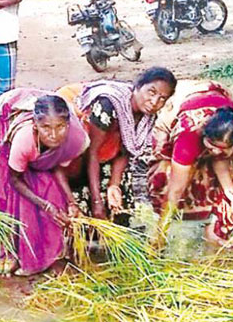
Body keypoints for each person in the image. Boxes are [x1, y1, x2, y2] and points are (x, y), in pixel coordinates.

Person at [0, 89, 89, 276]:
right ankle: (15, 251)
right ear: (36, 125)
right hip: (10, 158)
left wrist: (71, 202)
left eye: (60, 127)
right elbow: (14, 179)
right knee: (14, 201)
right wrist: (45, 205)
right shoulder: (23, 139)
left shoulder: (75, 138)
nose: (54, 135)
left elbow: (56, 166)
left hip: (35, 154)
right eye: (46, 128)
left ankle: (52, 255)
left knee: (52, 192)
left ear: (68, 124)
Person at [57, 67, 177, 222]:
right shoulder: (109, 105)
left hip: (107, 156)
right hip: (81, 158)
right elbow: (91, 152)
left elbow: (126, 150)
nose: (155, 102)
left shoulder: (147, 115)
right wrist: (96, 201)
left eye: (162, 98)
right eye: (151, 92)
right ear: (138, 86)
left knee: (120, 199)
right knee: (88, 209)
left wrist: (114, 185)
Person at [148, 80, 233, 246]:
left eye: (222, 148)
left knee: (228, 186)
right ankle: (171, 221)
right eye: (212, 145)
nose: (216, 152)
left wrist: (229, 189)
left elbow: (221, 161)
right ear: (204, 135)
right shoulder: (188, 135)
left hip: (214, 99)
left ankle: (214, 232)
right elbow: (176, 189)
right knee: (167, 174)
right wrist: (161, 231)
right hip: (181, 103)